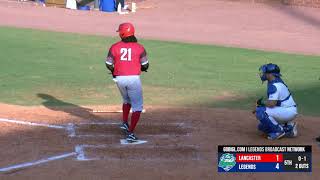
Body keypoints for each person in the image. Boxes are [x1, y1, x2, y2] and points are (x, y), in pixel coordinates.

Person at [105, 22, 149, 142]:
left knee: (126, 100)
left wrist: (114, 71)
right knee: (137, 107)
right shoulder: (140, 48)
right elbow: (145, 65)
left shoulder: (114, 47)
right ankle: (130, 134)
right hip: (133, 79)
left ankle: (125, 123)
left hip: (119, 79)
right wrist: (142, 68)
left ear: (122, 33)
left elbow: (108, 64)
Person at [254, 63, 298, 140]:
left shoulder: (274, 86)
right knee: (262, 127)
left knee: (260, 112)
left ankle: (279, 131)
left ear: (271, 74)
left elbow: (272, 104)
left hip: (287, 111)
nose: (263, 74)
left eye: (265, 72)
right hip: (287, 109)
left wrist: (261, 105)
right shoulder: (276, 81)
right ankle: (288, 127)